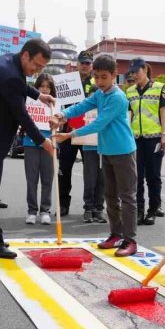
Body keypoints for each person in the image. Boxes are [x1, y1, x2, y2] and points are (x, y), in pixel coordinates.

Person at [0, 39, 56, 258]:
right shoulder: (10, 74)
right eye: (37, 65)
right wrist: (43, 142)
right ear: (26, 55)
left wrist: (39, 95)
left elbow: (20, 85)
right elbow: (21, 115)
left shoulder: (7, 60)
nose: (37, 71)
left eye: (42, 68)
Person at [53, 54, 138, 257]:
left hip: (124, 151)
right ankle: (115, 234)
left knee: (127, 197)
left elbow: (100, 123)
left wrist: (70, 134)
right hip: (106, 151)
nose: (99, 82)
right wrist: (62, 115)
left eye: (104, 77)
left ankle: (130, 239)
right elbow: (82, 105)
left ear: (114, 75)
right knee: (109, 195)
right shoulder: (100, 94)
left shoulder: (117, 97)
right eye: (96, 77)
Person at [58, 50, 105, 222]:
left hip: (89, 134)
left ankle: (93, 206)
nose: (85, 66)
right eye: (82, 63)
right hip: (69, 132)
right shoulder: (67, 82)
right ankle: (63, 203)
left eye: (88, 63)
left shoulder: (97, 83)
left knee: (94, 172)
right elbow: (59, 105)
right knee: (64, 169)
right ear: (77, 64)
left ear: (91, 65)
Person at [126, 58, 165, 225]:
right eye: (132, 73)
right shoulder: (129, 91)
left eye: (137, 71)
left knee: (153, 176)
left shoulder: (159, 88)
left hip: (155, 138)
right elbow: (129, 116)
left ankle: (152, 210)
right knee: (137, 177)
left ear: (145, 69)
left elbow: (163, 112)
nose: (134, 75)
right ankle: (139, 211)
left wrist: (164, 134)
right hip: (136, 138)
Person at [23, 73, 56, 225]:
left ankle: (45, 210)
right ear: (36, 87)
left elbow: (59, 124)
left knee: (47, 178)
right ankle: (31, 211)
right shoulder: (29, 101)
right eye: (41, 86)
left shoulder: (55, 104)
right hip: (31, 143)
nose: (44, 89)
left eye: (47, 87)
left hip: (49, 143)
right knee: (32, 179)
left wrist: (59, 122)